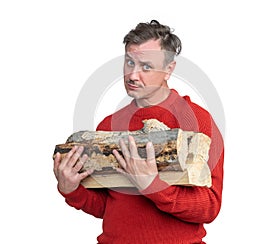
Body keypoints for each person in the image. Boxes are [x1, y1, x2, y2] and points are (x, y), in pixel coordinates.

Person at [53, 20, 224, 244]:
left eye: (146, 66)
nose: (133, 75)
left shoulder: (198, 121)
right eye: (129, 62)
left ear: (168, 69)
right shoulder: (108, 125)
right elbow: (109, 207)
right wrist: (71, 189)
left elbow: (209, 207)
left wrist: (152, 186)